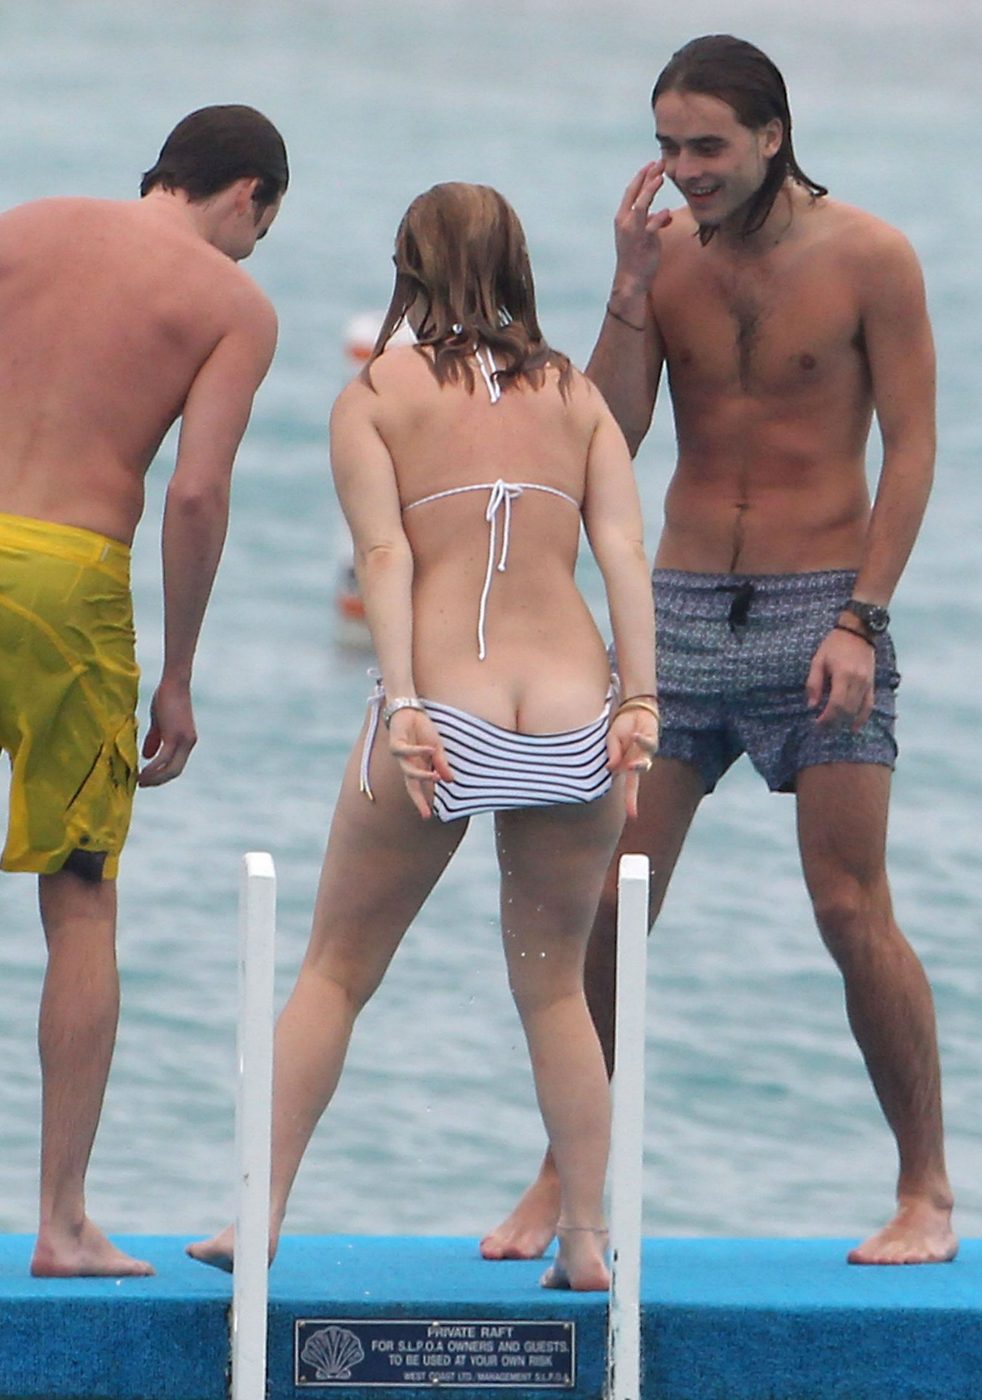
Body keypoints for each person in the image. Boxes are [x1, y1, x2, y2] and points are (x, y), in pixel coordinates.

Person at [482, 34, 957, 1267]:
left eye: (705, 146)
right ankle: (563, 1170)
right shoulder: (667, 261)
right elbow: (608, 432)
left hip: (822, 610)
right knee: (610, 896)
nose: (683, 169)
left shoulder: (869, 257)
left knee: (847, 903)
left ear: (770, 137)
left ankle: (923, 1187)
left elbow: (910, 448)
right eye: (666, 146)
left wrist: (862, 617)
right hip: (682, 610)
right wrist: (627, 286)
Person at [188, 182, 659, 1291]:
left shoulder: (376, 396)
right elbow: (622, 553)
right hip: (573, 716)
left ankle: (255, 1219)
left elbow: (385, 558)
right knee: (555, 990)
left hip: (443, 707)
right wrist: (641, 701)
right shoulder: (577, 394)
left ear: (406, 265)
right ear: (519, 263)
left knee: (335, 972)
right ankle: (583, 1238)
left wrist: (402, 700)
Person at [0, 104, 287, 1277]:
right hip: (67, 588)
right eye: (263, 225)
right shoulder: (232, 305)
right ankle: (62, 1220)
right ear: (248, 194)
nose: (254, 245)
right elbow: (196, 493)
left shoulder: (21, 228)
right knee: (80, 899)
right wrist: (177, 672)